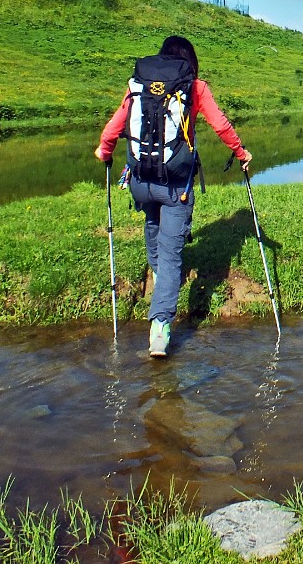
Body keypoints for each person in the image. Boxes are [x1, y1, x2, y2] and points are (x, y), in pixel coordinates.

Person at [96, 35, 251, 357]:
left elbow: (115, 125)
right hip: (176, 185)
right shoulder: (195, 87)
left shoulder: (140, 84)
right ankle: (160, 327)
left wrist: (104, 150)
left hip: (140, 179)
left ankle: (158, 277)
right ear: (190, 62)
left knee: (152, 224)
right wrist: (240, 151)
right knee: (171, 258)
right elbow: (220, 125)